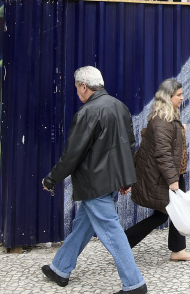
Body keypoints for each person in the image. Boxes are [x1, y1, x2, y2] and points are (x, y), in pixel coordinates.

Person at [40, 66, 147, 294]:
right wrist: (125, 179)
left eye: (77, 88)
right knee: (83, 225)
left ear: (84, 86)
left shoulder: (87, 112)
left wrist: (51, 179)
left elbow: (72, 155)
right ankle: (60, 268)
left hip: (94, 184)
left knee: (111, 231)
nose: (77, 92)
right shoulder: (120, 106)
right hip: (109, 182)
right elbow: (128, 145)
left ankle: (134, 284)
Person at [125, 79, 190, 262]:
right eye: (178, 95)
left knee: (169, 211)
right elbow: (163, 153)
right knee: (164, 213)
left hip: (172, 172)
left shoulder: (168, 117)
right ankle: (124, 242)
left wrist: (179, 130)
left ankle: (177, 249)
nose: (182, 98)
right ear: (168, 97)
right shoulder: (162, 120)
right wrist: (172, 179)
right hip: (165, 175)